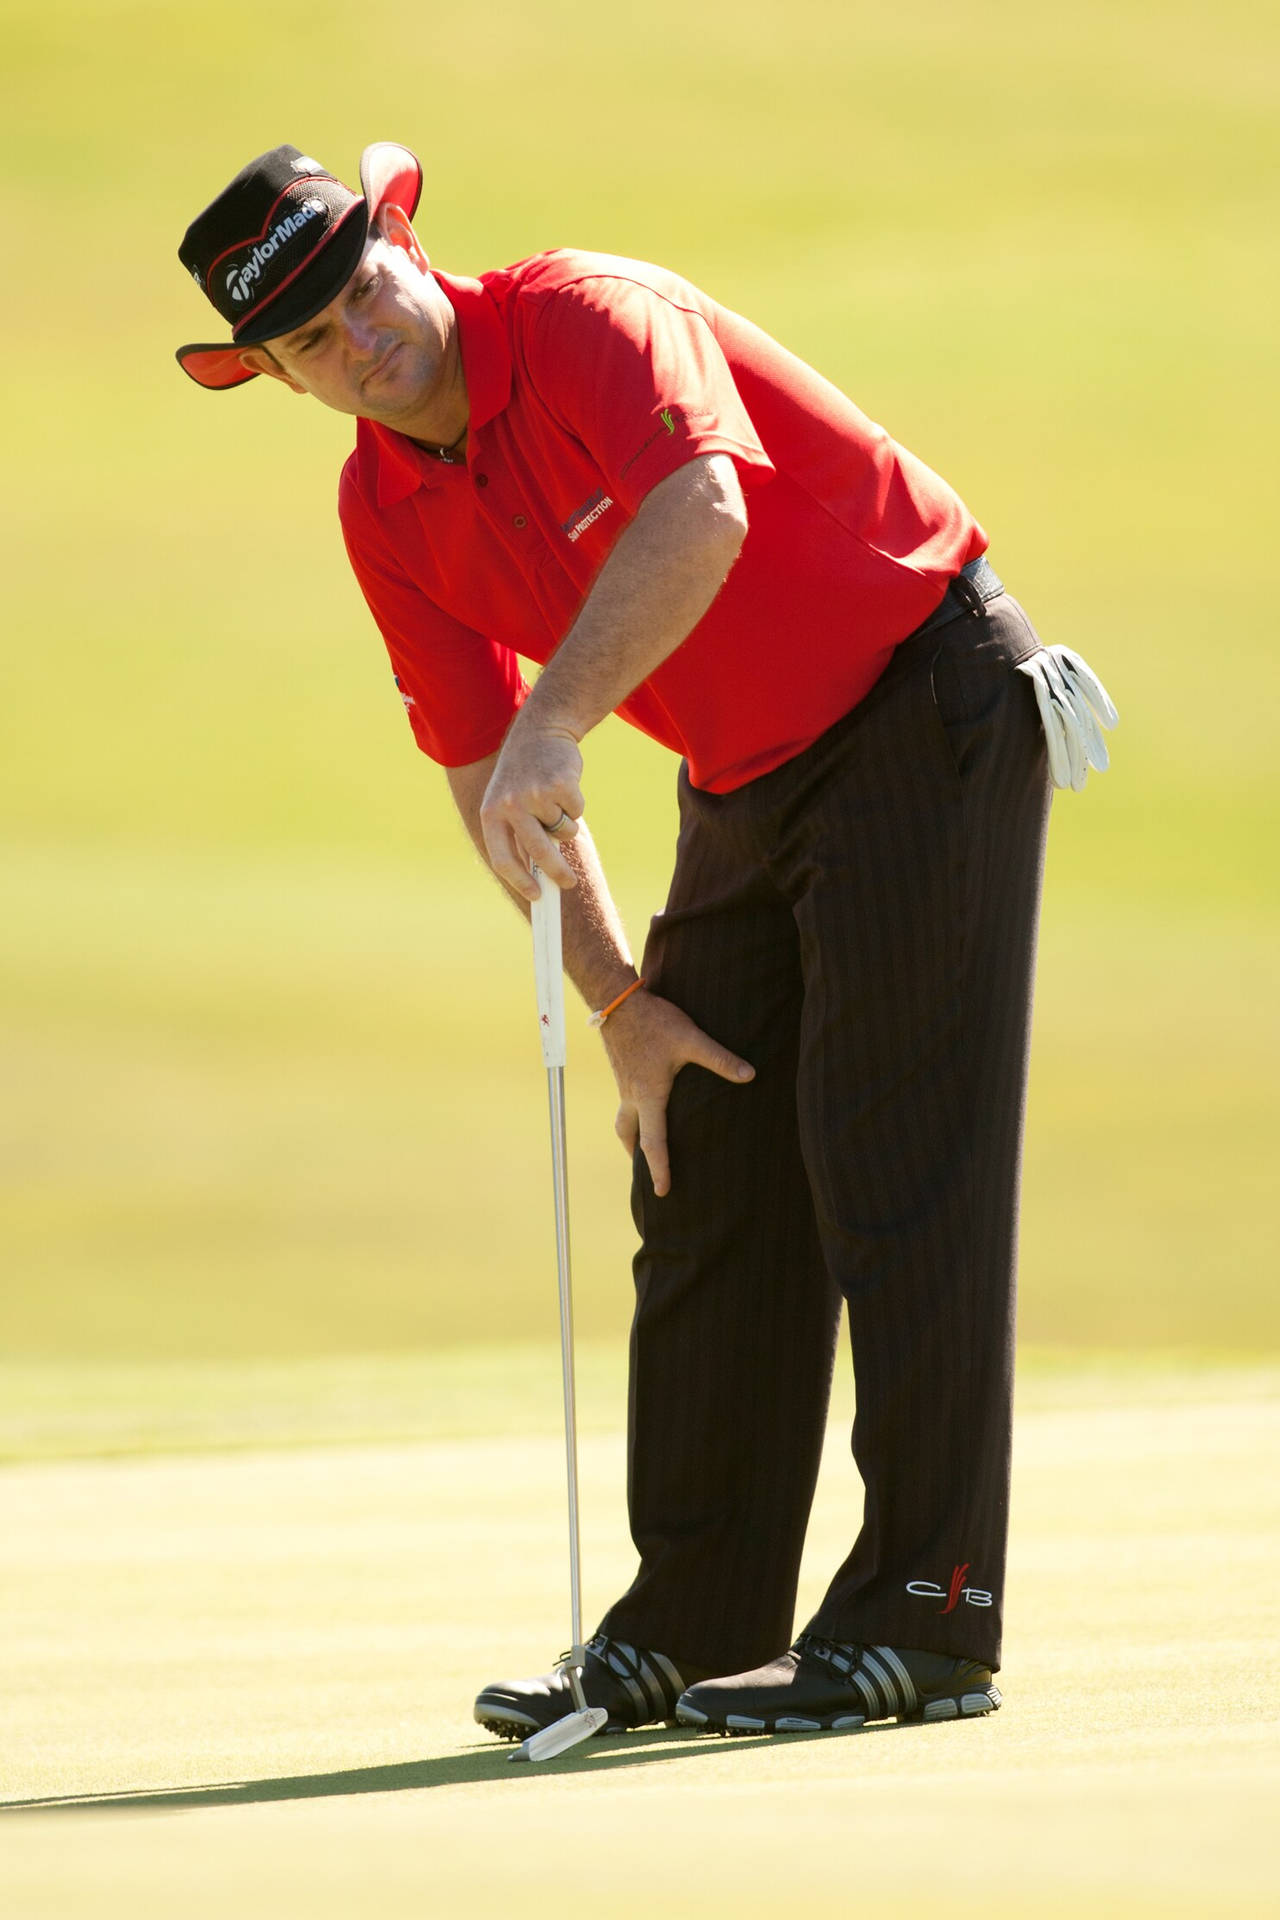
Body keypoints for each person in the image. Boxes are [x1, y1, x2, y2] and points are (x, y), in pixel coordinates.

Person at [176, 140, 1116, 1741]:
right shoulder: (382, 507)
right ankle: (694, 1618)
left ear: (407, 240)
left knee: (893, 1163)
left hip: (924, 695)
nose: (360, 336)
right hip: (744, 777)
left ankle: (931, 1615)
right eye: (312, 338)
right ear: (274, 377)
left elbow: (704, 505)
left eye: (361, 285)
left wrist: (559, 720)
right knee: (701, 1163)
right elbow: (490, 777)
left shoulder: (590, 318)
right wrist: (617, 996)